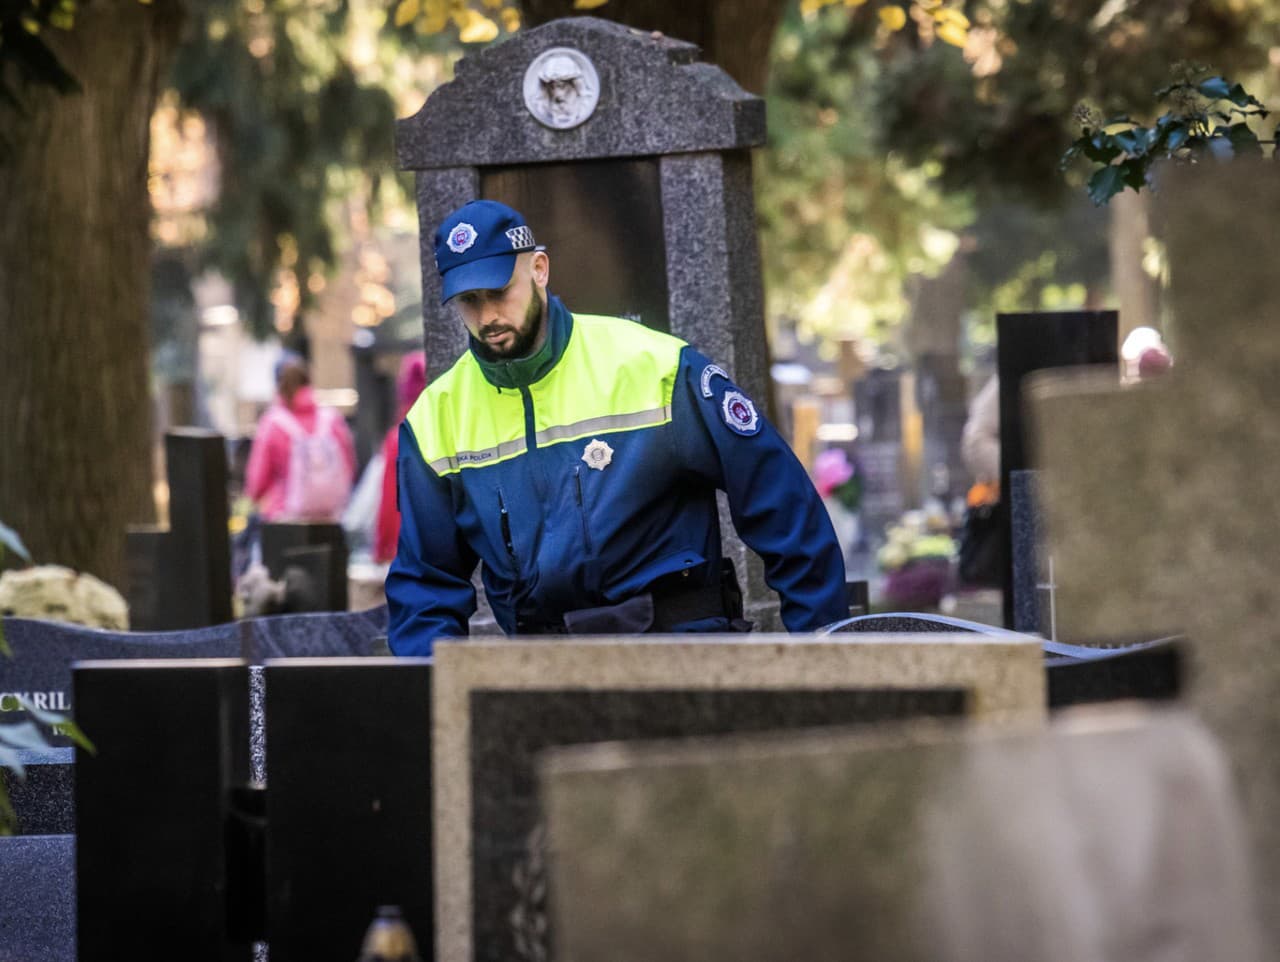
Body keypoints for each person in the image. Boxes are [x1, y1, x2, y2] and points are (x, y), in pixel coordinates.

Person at [386, 200, 847, 655]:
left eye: (499, 292)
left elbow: (781, 502)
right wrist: (432, 697)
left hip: (680, 658)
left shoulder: (655, 367)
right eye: (469, 301)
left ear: (539, 269)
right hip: (541, 675)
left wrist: (823, 647)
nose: (488, 317)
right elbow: (426, 584)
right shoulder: (436, 419)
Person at [244, 352, 356, 523]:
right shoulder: (331, 419)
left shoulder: (272, 423)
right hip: (331, 520)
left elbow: (257, 485)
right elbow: (350, 467)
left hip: (286, 521)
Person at [374, 351, 428, 564]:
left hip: (408, 546)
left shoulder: (400, 437)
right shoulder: (453, 428)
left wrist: (382, 548)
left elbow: (390, 499)